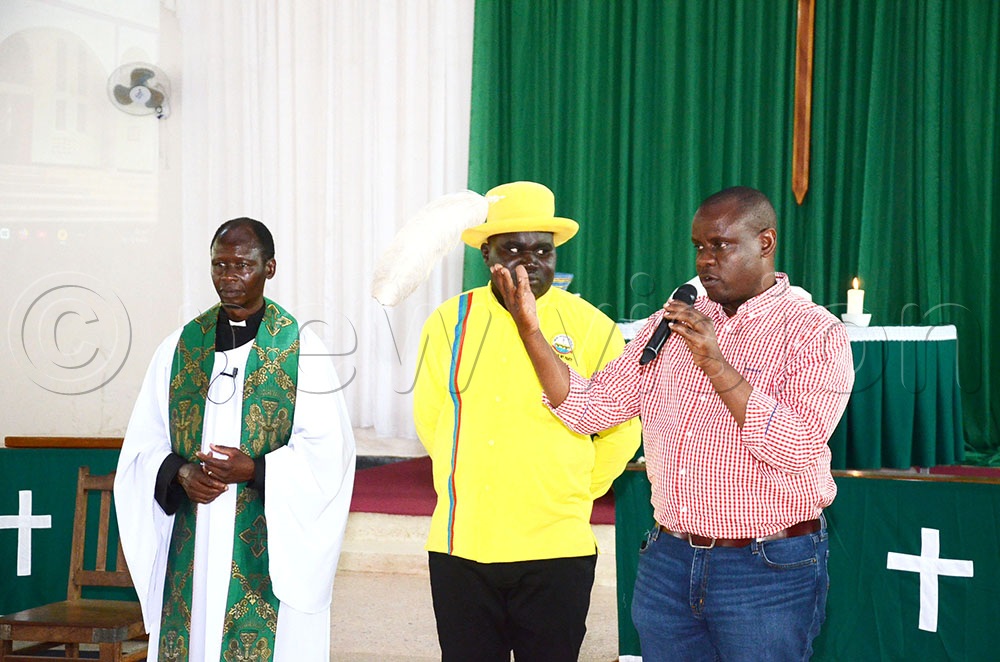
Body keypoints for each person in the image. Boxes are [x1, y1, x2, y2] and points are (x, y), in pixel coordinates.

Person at [492, 186, 855, 661]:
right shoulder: (672, 322)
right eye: (699, 246)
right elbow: (589, 407)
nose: (705, 261)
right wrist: (530, 330)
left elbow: (796, 447)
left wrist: (718, 366)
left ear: (765, 243)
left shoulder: (814, 332)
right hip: (670, 560)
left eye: (720, 245)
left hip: (766, 567)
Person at [412, 181, 641, 662]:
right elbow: (432, 419)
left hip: (556, 544)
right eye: (512, 248)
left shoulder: (591, 327)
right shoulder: (448, 322)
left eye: (543, 249)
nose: (529, 261)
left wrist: (574, 484)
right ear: (485, 254)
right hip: (463, 544)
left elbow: (624, 426)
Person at [115, 218, 356, 661]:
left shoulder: (302, 349)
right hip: (195, 535)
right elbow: (141, 447)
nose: (228, 277)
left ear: (270, 268)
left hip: (268, 534)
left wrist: (258, 469)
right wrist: (180, 472)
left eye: (242, 265)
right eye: (219, 265)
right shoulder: (179, 348)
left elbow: (331, 455)